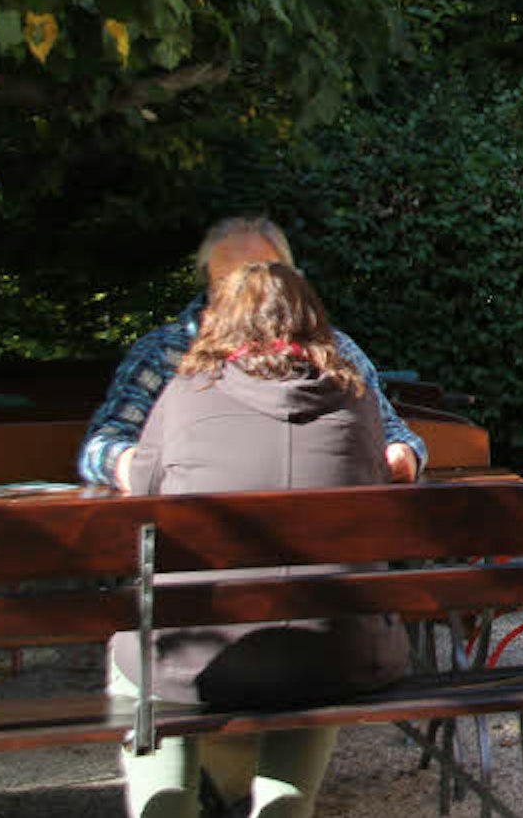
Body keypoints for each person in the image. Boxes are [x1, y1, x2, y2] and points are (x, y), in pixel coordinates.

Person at [109, 261, 410, 818]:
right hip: (338, 656)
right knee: (319, 637)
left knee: (143, 653)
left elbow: (141, 497)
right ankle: (282, 808)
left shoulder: (184, 396)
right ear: (312, 321)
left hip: (196, 660)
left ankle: (167, 803)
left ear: (221, 324)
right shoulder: (357, 399)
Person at [78, 217, 424, 491]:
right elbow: (102, 446)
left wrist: (400, 455)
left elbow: (398, 437)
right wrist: (139, 464)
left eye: (266, 279)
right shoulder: (163, 354)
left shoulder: (337, 352)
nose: (252, 298)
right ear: (208, 283)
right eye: (233, 283)